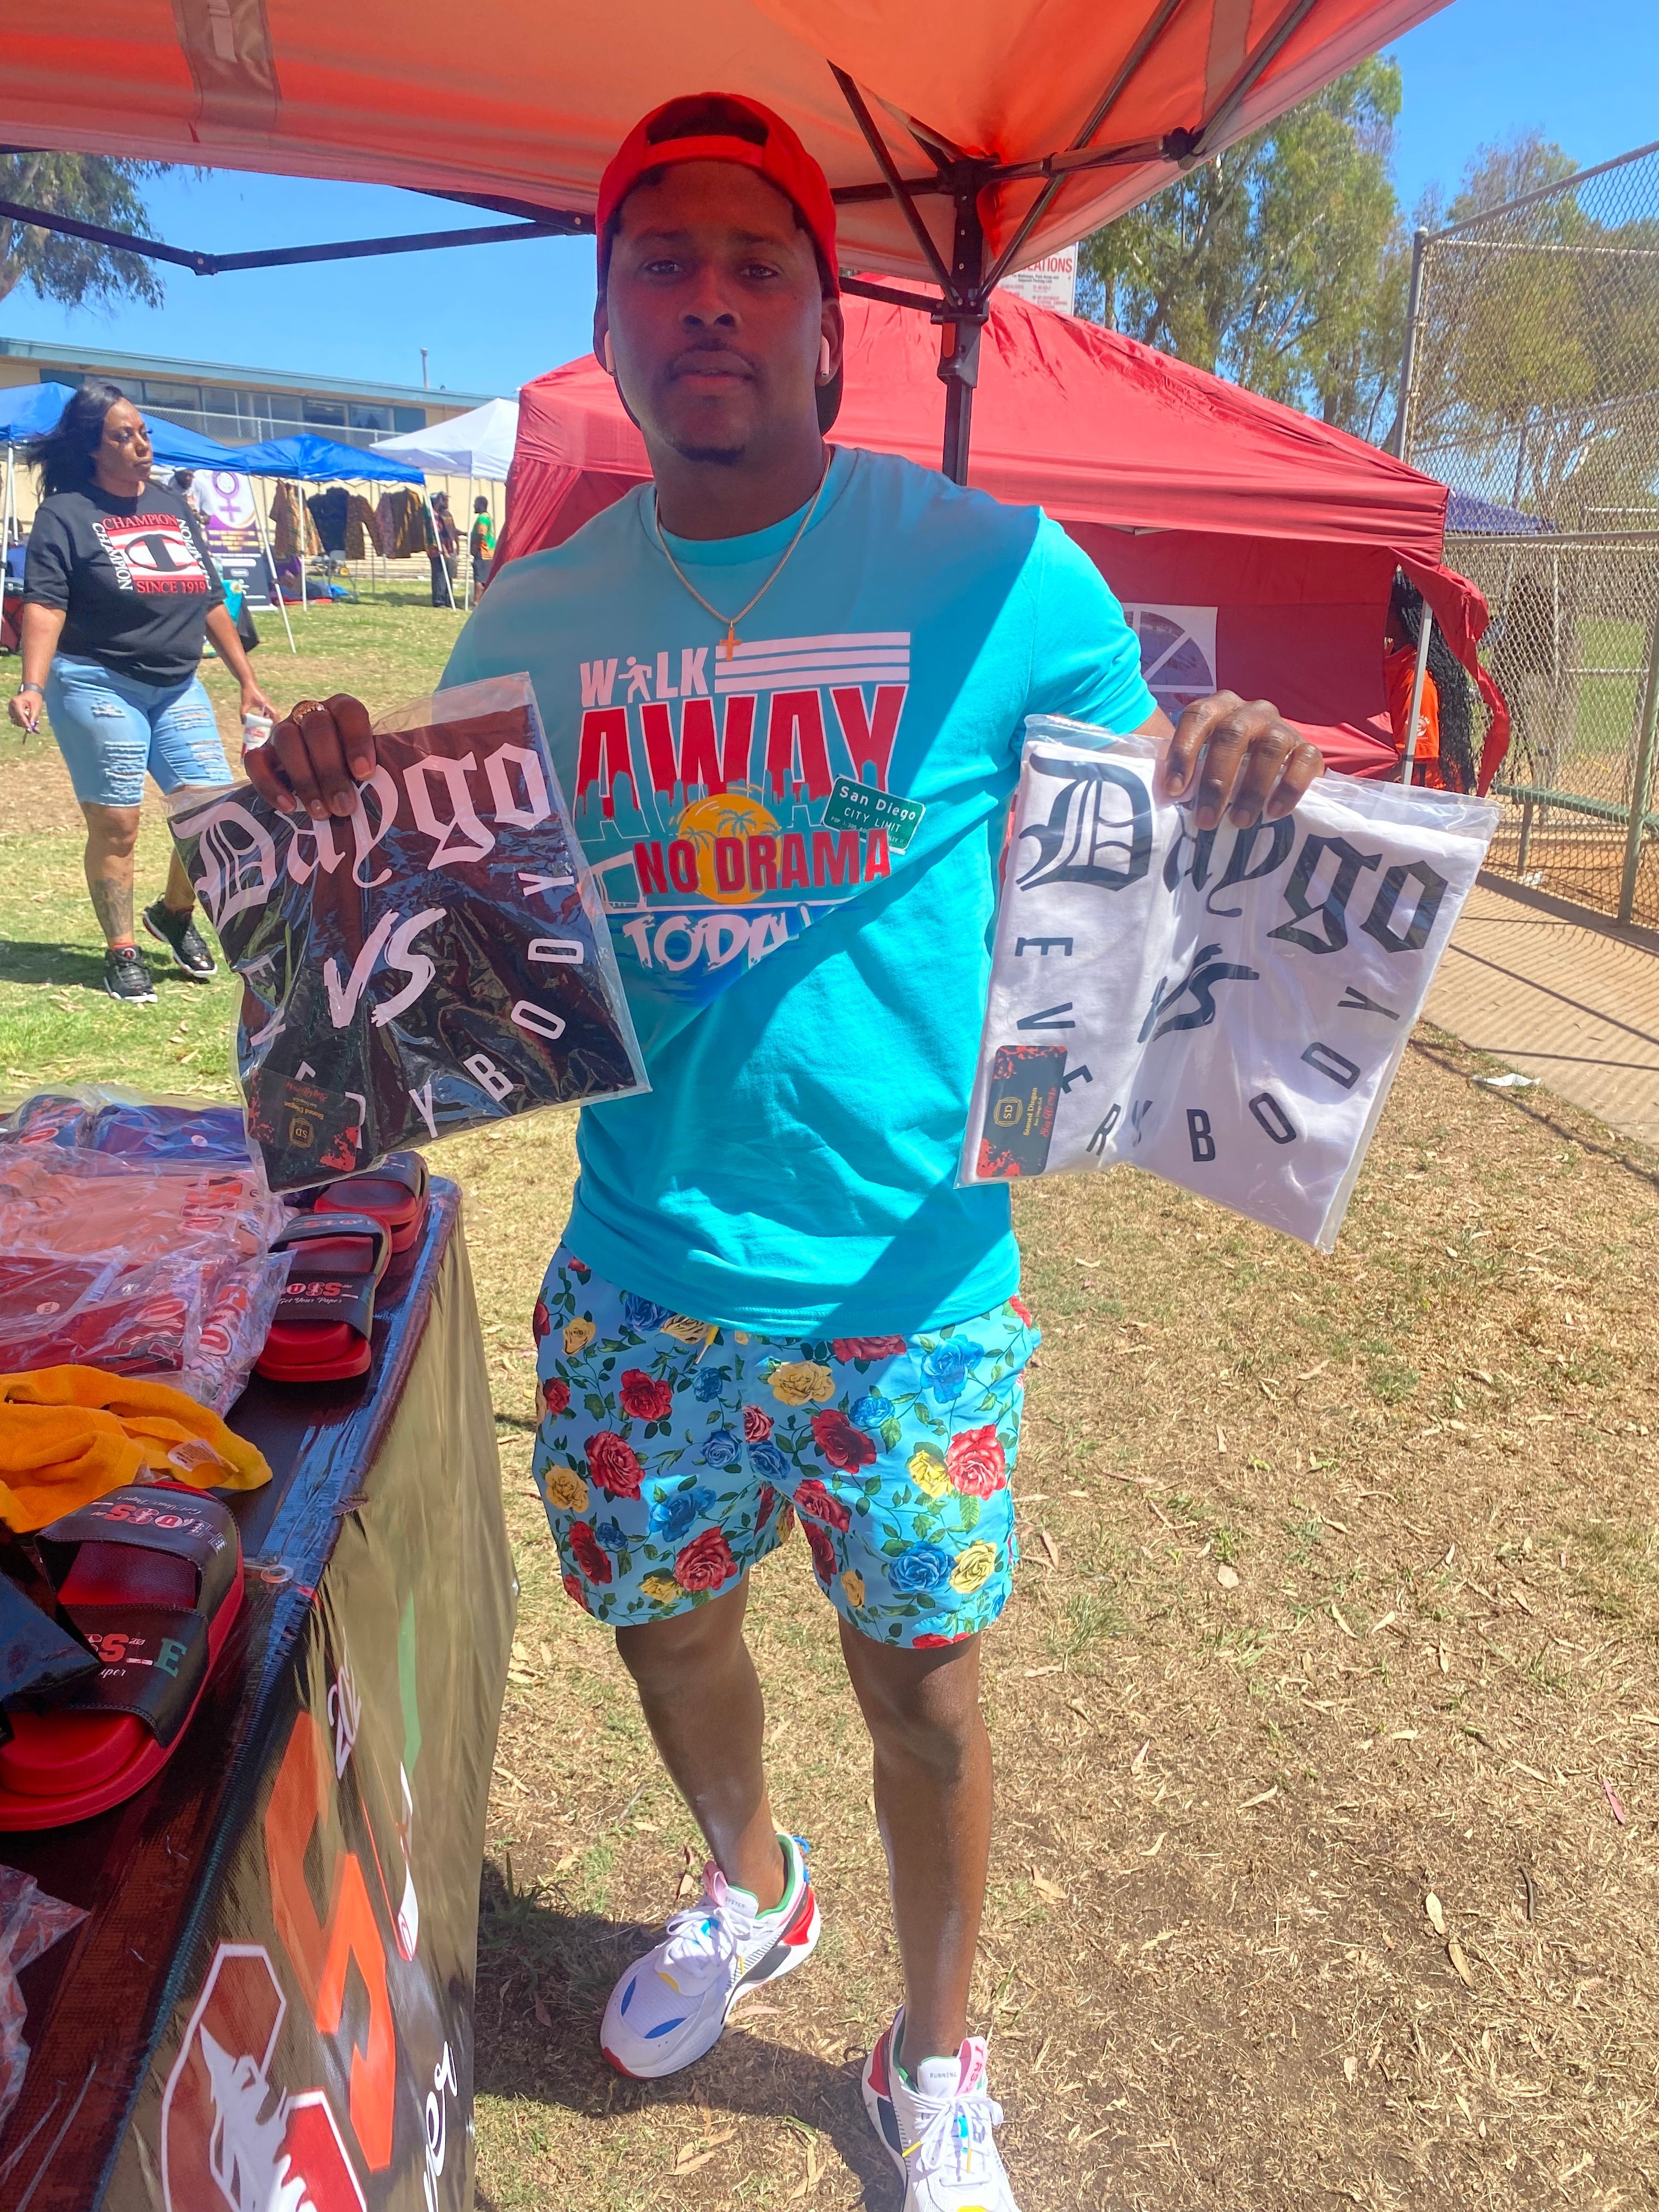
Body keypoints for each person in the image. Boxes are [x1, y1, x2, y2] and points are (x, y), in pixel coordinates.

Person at [248, 93, 1322, 2211]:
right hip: (641, 1269)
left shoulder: (995, 574)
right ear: (612, 323)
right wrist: (327, 787)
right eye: (665, 263)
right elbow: (440, 926)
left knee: (921, 1689)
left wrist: (1235, 770)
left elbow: (1147, 822)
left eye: (758, 265)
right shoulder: (538, 611)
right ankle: (749, 1882)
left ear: (829, 333)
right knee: (668, 1627)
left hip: (911, 1293)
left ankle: (934, 2052)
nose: (711, 298)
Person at [9, 383, 276, 1005]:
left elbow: (211, 599)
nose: (140, 445)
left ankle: (175, 915)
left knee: (211, 814)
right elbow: (46, 605)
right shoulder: (67, 513)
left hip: (178, 683)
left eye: (144, 433)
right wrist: (32, 684)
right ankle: (122, 947)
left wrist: (247, 680)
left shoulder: (171, 506)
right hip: (97, 681)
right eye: (122, 436)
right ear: (92, 447)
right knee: (118, 823)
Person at [1383, 572, 1475, 793]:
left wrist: (1363, 790)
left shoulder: (1417, 678)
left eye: (1386, 604)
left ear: (1403, 614)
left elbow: (1409, 765)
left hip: (1426, 799)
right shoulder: (1394, 653)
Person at [428, 490, 460, 607]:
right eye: (444, 500)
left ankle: (449, 599)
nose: (447, 502)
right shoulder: (434, 516)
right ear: (438, 501)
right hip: (438, 551)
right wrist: (445, 551)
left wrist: (460, 538)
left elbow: (452, 529)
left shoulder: (447, 514)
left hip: (450, 549)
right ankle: (439, 600)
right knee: (440, 575)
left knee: (449, 574)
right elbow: (438, 534)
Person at [469, 494, 496, 595]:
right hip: (489, 552)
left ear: (480, 505)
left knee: (479, 579)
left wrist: (475, 549)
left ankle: (476, 602)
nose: (474, 506)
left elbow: (481, 535)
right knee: (484, 577)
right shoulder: (487, 517)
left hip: (483, 551)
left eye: (475, 504)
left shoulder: (483, 518)